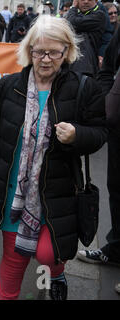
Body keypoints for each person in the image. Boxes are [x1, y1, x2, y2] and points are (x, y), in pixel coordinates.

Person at [0, 15, 107, 300]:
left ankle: (56, 273)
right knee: (13, 256)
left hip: (57, 193)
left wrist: (77, 135)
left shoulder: (83, 88)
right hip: (11, 192)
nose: (45, 59)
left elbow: (101, 132)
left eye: (54, 52)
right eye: (39, 51)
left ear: (66, 51)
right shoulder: (8, 86)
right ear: (28, 50)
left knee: (48, 252)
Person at [78, 28, 120, 272]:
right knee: (116, 189)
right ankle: (115, 249)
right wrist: (106, 102)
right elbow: (108, 69)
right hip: (116, 128)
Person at [66, 0, 106, 77]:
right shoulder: (76, 14)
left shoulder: (99, 15)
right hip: (71, 63)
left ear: (96, 1)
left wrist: (73, 7)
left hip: (86, 67)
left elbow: (72, 23)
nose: (86, 2)